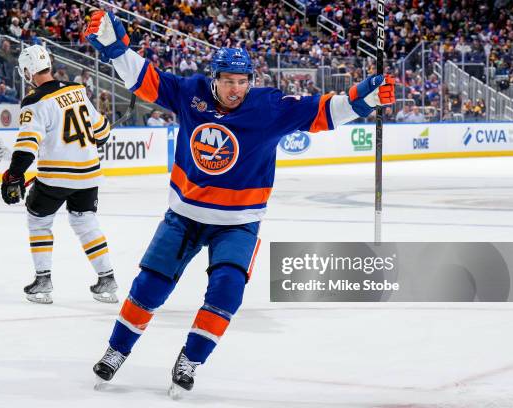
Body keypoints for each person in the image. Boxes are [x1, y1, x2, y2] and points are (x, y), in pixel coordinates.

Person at [84, 10, 395, 397]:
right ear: (214, 79)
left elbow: (321, 112)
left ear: (251, 81)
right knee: (149, 287)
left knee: (227, 290)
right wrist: (116, 50)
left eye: (242, 81)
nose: (235, 89)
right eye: (228, 81)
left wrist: (360, 100)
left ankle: (190, 359)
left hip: (239, 223)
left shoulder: (268, 107)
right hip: (184, 215)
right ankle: (116, 351)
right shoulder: (190, 93)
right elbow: (146, 80)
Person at [0, 44, 118, 305]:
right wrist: (101, 131)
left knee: (39, 221)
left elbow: (27, 144)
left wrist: (14, 175)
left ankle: (43, 281)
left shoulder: (34, 101)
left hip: (56, 177)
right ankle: (107, 279)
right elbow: (102, 132)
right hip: (89, 175)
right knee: (85, 222)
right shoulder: (77, 90)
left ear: (28, 71)